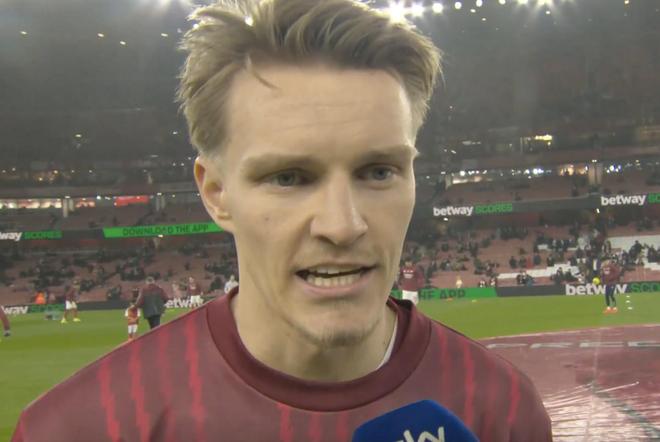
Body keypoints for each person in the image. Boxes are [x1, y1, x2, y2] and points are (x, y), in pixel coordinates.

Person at [12, 1, 551, 440]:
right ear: (216, 193)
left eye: (378, 171)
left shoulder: (501, 410)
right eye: (289, 178)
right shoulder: (81, 427)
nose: (342, 225)